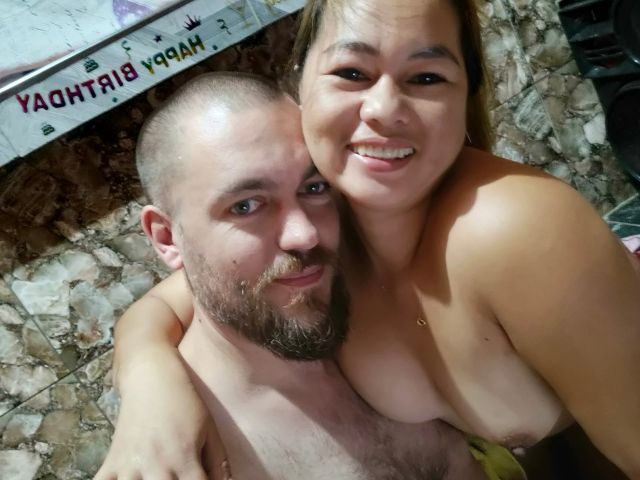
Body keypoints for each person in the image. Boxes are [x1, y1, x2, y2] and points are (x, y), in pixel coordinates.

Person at [97, 0, 640, 478]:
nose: (383, 109)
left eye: (426, 77)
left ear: (464, 94)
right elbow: (172, 297)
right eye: (352, 72)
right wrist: (149, 379)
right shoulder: (332, 217)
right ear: (302, 88)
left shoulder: (510, 227)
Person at [96, 71, 486, 480]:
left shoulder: (371, 291)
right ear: (166, 237)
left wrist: (143, 358)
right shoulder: (189, 456)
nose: (305, 235)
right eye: (246, 206)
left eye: (314, 188)